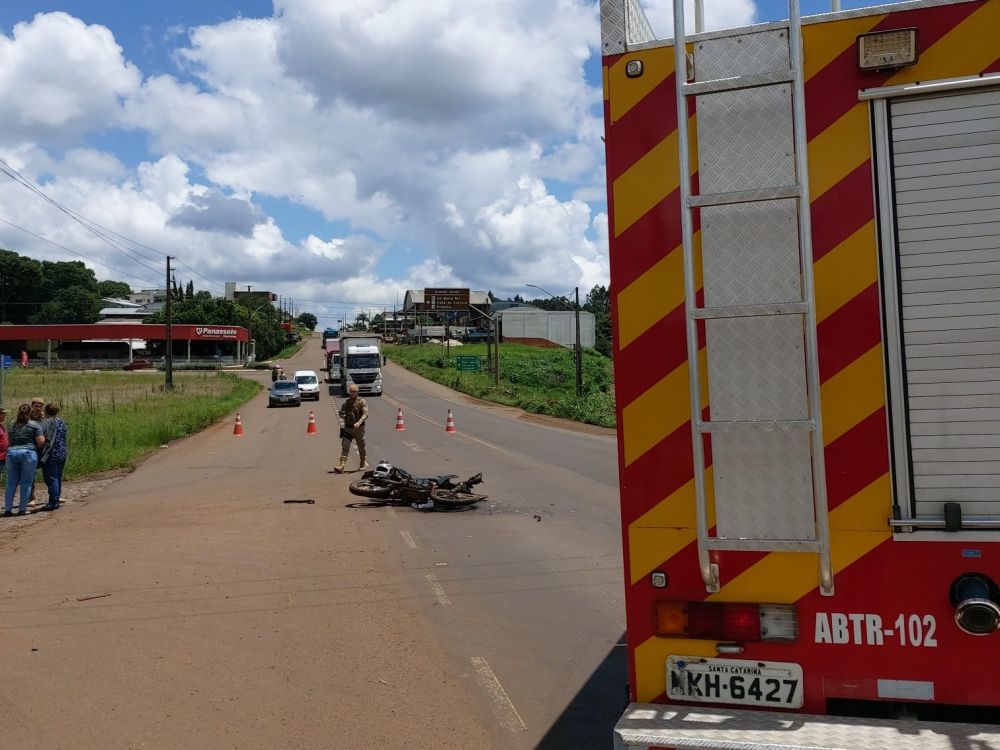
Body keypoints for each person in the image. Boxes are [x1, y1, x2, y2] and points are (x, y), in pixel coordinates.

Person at [3, 404, 44, 517]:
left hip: (11, 453)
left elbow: (9, 439)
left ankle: (7, 509)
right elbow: (41, 441)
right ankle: (22, 509)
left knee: (11, 483)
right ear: (30, 413)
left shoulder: (11, 424)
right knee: (26, 483)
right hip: (28, 453)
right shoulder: (34, 425)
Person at [40, 402, 68, 511]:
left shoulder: (46, 422)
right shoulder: (61, 422)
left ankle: (53, 502)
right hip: (62, 452)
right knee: (58, 477)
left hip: (51, 453)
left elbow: (42, 437)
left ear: (46, 411)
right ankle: (56, 498)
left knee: (52, 479)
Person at [335, 384, 369, 473]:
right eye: (351, 391)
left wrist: (359, 422)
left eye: (354, 391)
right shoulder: (346, 403)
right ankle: (342, 465)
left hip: (359, 428)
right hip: (348, 428)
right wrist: (342, 415)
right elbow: (342, 414)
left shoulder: (362, 402)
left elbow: (366, 414)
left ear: (357, 392)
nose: (352, 393)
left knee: (361, 446)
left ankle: (363, 462)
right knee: (345, 445)